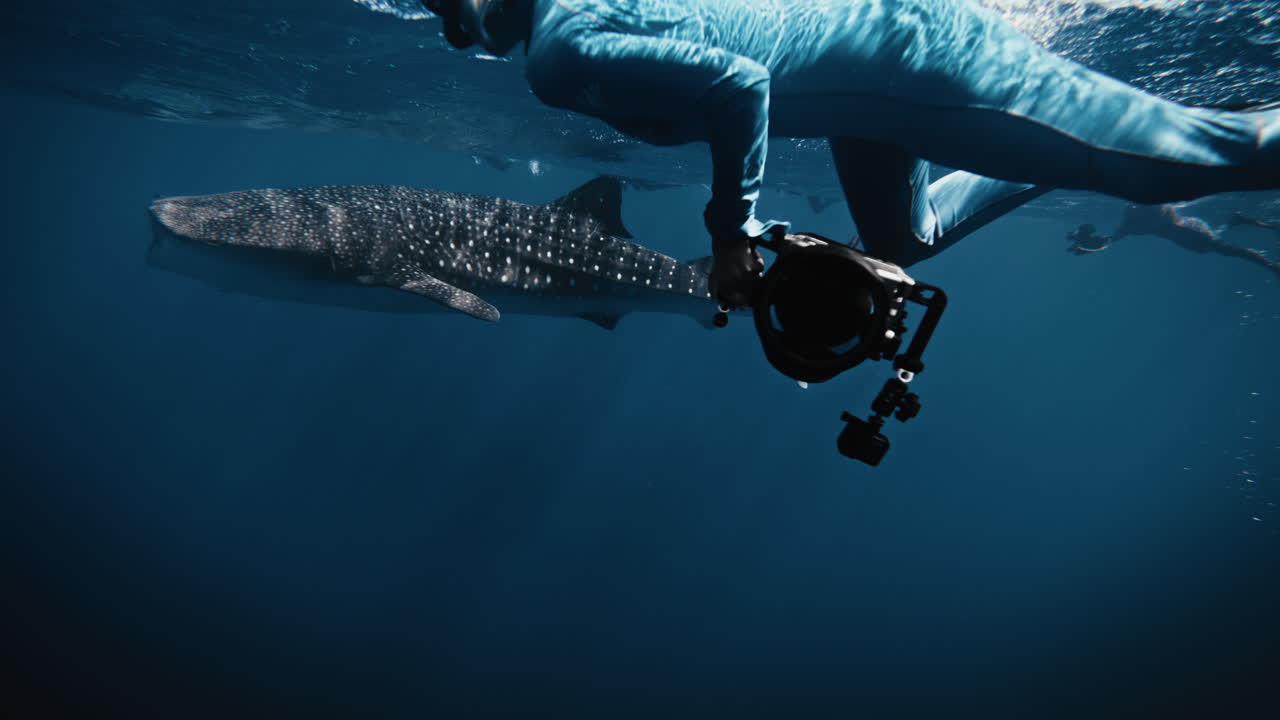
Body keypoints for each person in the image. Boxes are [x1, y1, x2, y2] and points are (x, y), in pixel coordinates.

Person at [422, 0, 1279, 307]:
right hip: (880, 82)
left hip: (919, 67)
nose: (452, 32)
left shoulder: (558, 53)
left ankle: (1218, 133)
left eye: (443, 4)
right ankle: (1058, 151)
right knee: (901, 240)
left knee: (1180, 164)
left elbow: (741, 86)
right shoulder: (573, 23)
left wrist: (729, 232)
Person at [1067, 204, 1280, 276]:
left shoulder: (1137, 215)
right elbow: (1112, 238)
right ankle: (1234, 221)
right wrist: (1091, 245)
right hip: (1185, 235)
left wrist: (1096, 244)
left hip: (1190, 230)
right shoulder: (1130, 219)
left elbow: (1113, 238)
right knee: (1216, 246)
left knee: (1224, 248)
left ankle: (1271, 266)